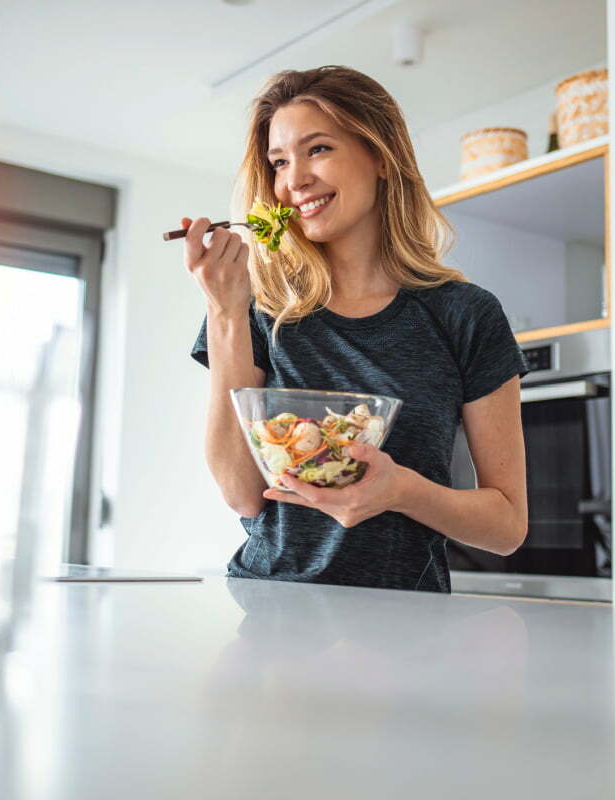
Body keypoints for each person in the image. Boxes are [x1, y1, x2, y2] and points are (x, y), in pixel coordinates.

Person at [185, 65, 529, 593]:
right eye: (279, 162)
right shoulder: (255, 306)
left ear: (380, 156)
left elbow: (507, 527)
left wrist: (401, 490)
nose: (294, 180)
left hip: (407, 626)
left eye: (317, 149)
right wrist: (225, 312)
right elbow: (242, 493)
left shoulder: (467, 315)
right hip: (271, 611)